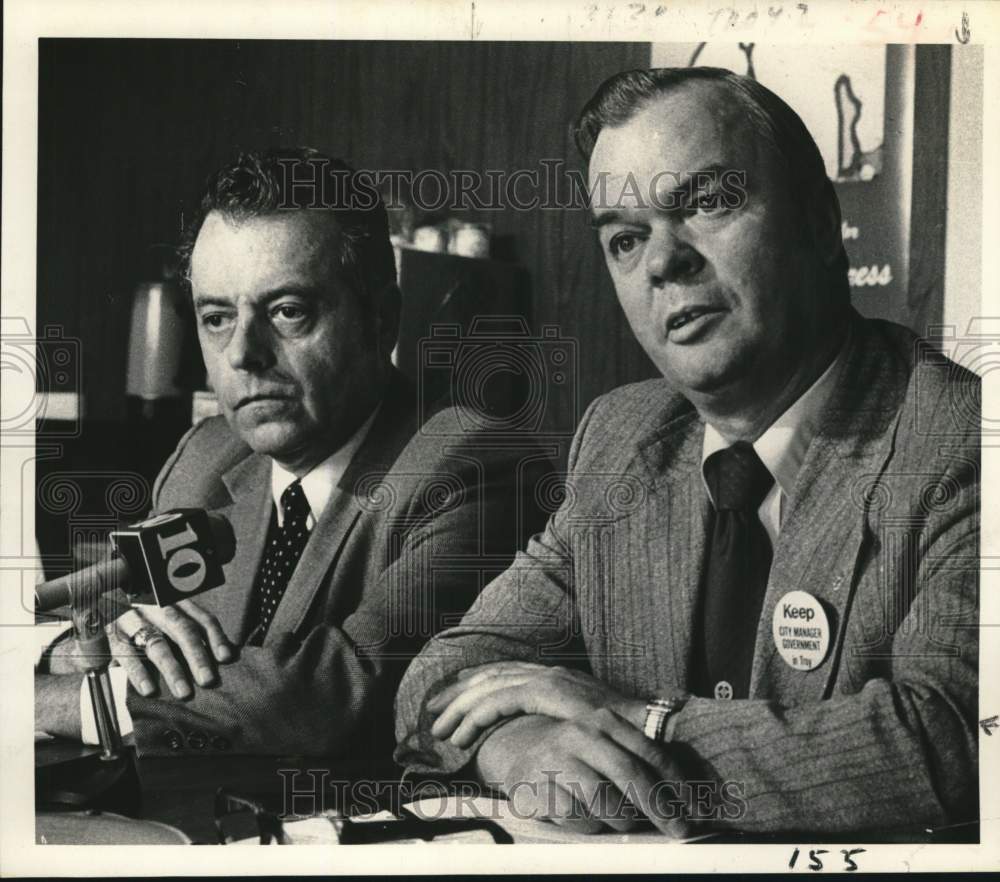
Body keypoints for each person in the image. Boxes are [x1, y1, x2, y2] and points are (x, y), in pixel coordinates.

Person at [394, 68, 980, 837]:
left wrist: (641, 722)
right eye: (625, 238)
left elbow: (952, 743)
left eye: (706, 203)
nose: (662, 263)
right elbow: (437, 681)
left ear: (817, 220)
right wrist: (523, 743)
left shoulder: (961, 439)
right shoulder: (623, 441)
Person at [35, 148, 551, 763]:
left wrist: (41, 701)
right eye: (217, 317)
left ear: (379, 321)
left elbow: (325, 702)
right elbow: (111, 627)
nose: (243, 355)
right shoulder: (204, 458)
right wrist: (67, 652)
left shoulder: (470, 465)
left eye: (287, 312)